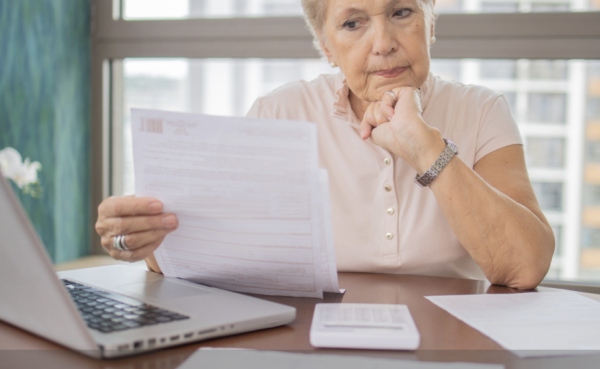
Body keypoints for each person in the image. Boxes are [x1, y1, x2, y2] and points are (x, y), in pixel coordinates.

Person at [95, 0, 555, 289]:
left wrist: (426, 148)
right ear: (326, 46)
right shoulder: (280, 112)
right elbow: (203, 251)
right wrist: (141, 239)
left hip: (453, 343)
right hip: (313, 338)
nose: (384, 43)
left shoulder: (482, 109)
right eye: (353, 23)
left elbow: (525, 266)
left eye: (401, 13)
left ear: (430, 22)